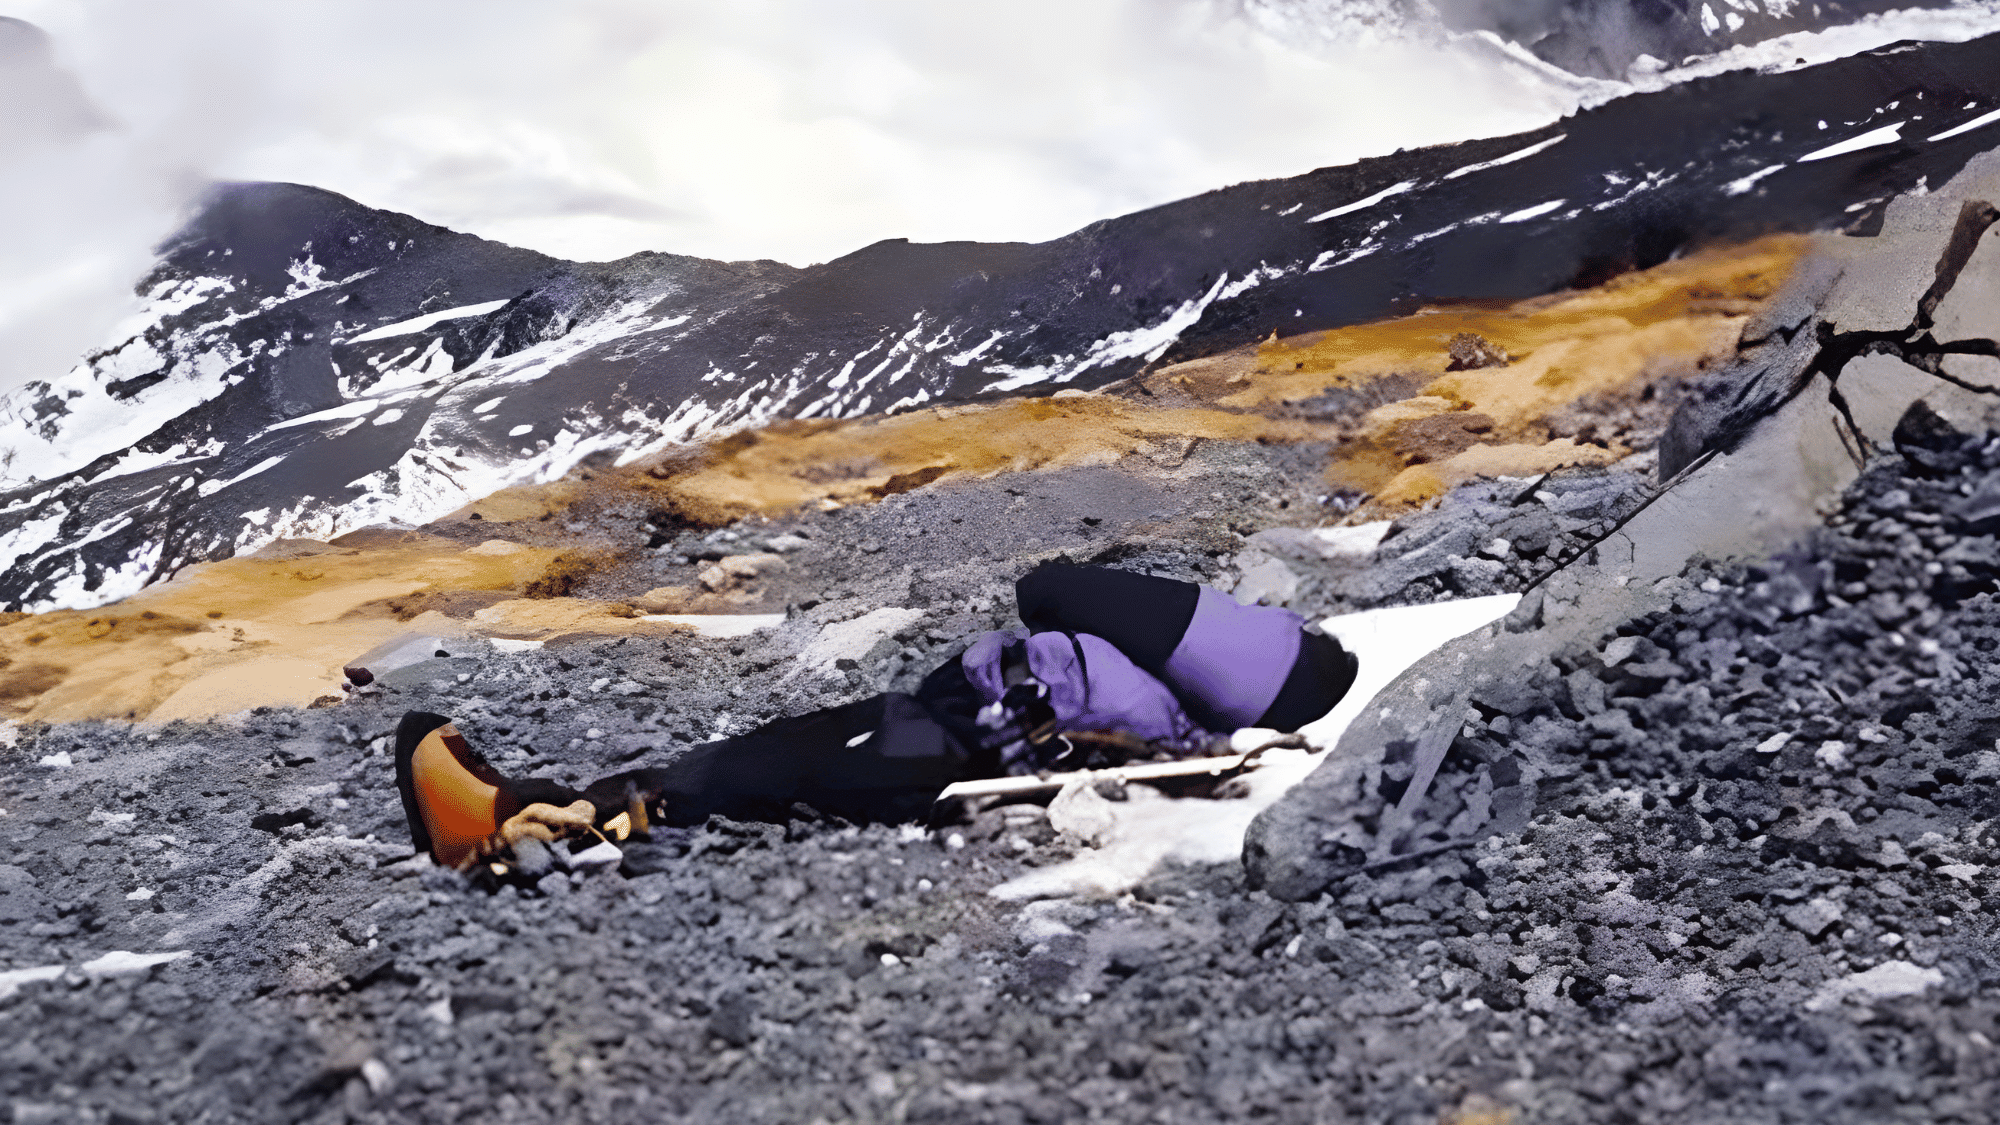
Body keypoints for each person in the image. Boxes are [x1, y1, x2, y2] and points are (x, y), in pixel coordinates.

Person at [395, 562, 1359, 874]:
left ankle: (500, 828)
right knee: (756, 763)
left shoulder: (1210, 652)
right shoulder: (1202, 699)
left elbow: (1046, 588)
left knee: (746, 774)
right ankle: (539, 812)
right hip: (947, 728)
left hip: (938, 740)